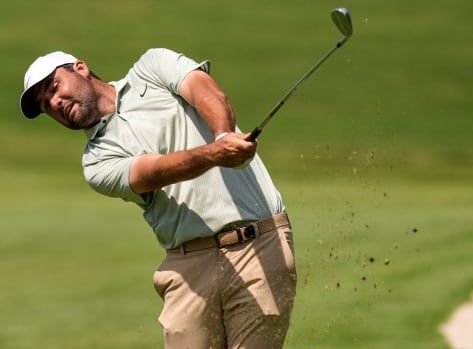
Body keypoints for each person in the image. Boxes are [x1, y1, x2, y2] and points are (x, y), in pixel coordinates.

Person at [19, 48, 296, 348]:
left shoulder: (152, 67)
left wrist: (222, 135)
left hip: (258, 244)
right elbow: (155, 172)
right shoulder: (95, 162)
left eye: (53, 88)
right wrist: (215, 154)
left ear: (81, 69)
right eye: (46, 105)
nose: (54, 103)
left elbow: (204, 89)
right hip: (188, 268)